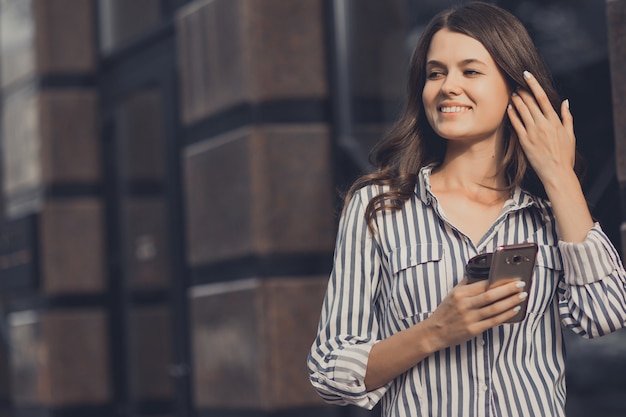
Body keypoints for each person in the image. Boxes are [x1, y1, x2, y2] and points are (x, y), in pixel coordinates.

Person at [307, 2, 626, 416]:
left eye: (470, 71)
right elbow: (330, 371)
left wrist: (560, 176)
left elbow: (606, 314)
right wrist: (435, 331)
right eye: (435, 73)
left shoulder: (549, 212)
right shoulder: (379, 205)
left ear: (516, 90)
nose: (447, 86)